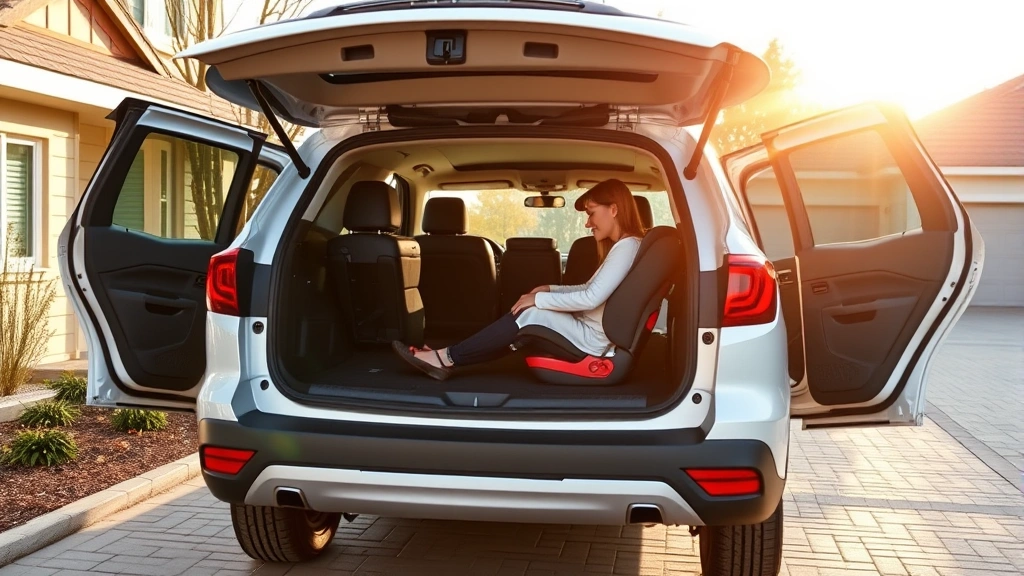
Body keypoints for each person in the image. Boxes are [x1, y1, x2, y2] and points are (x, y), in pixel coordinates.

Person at [392, 178, 648, 381]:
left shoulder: (626, 247)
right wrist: (549, 288)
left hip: (591, 340)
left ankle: (444, 358)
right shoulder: (627, 246)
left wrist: (538, 299)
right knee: (527, 313)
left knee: (528, 313)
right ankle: (446, 356)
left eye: (591, 213)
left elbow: (591, 298)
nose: (587, 224)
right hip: (589, 330)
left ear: (613, 209)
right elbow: (590, 288)